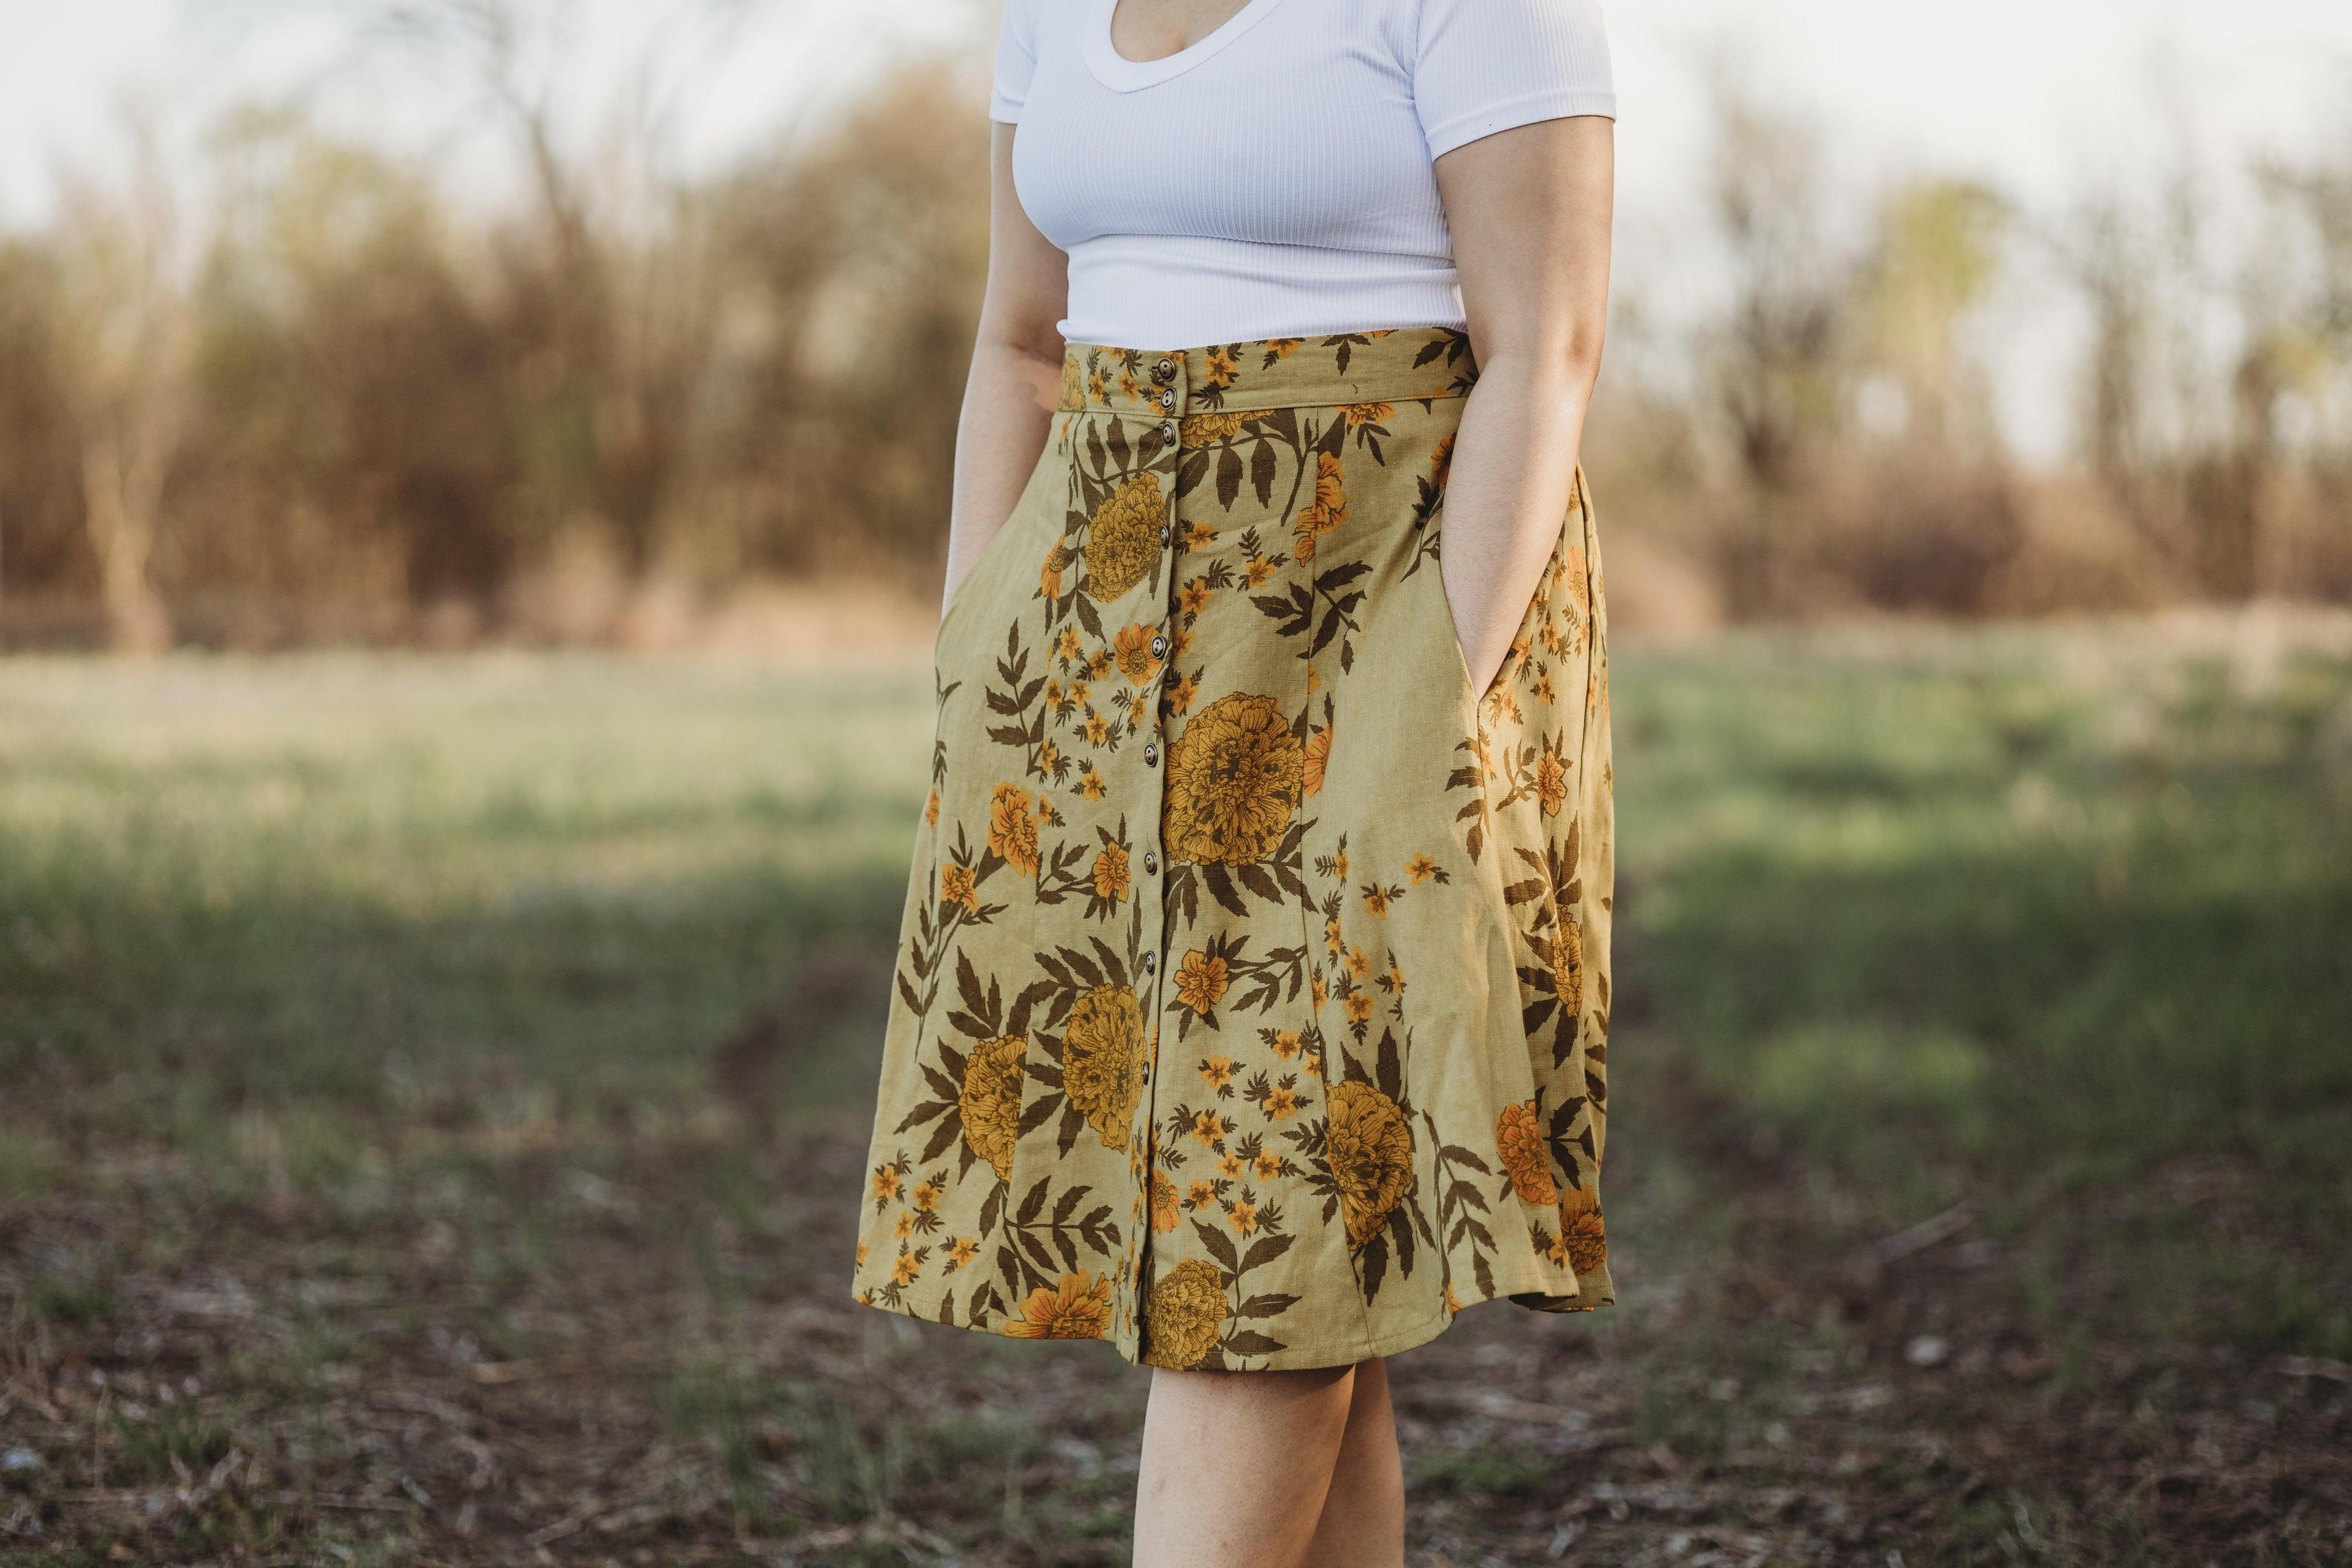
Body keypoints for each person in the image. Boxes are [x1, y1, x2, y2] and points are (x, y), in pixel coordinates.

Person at [851, 0, 1617, 1561]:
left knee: (1263, 1237)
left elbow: (1549, 346)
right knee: (1289, 1236)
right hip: (1089, 639)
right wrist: (973, 633)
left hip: (1372, 621)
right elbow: (1017, 342)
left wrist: (1432, 709)